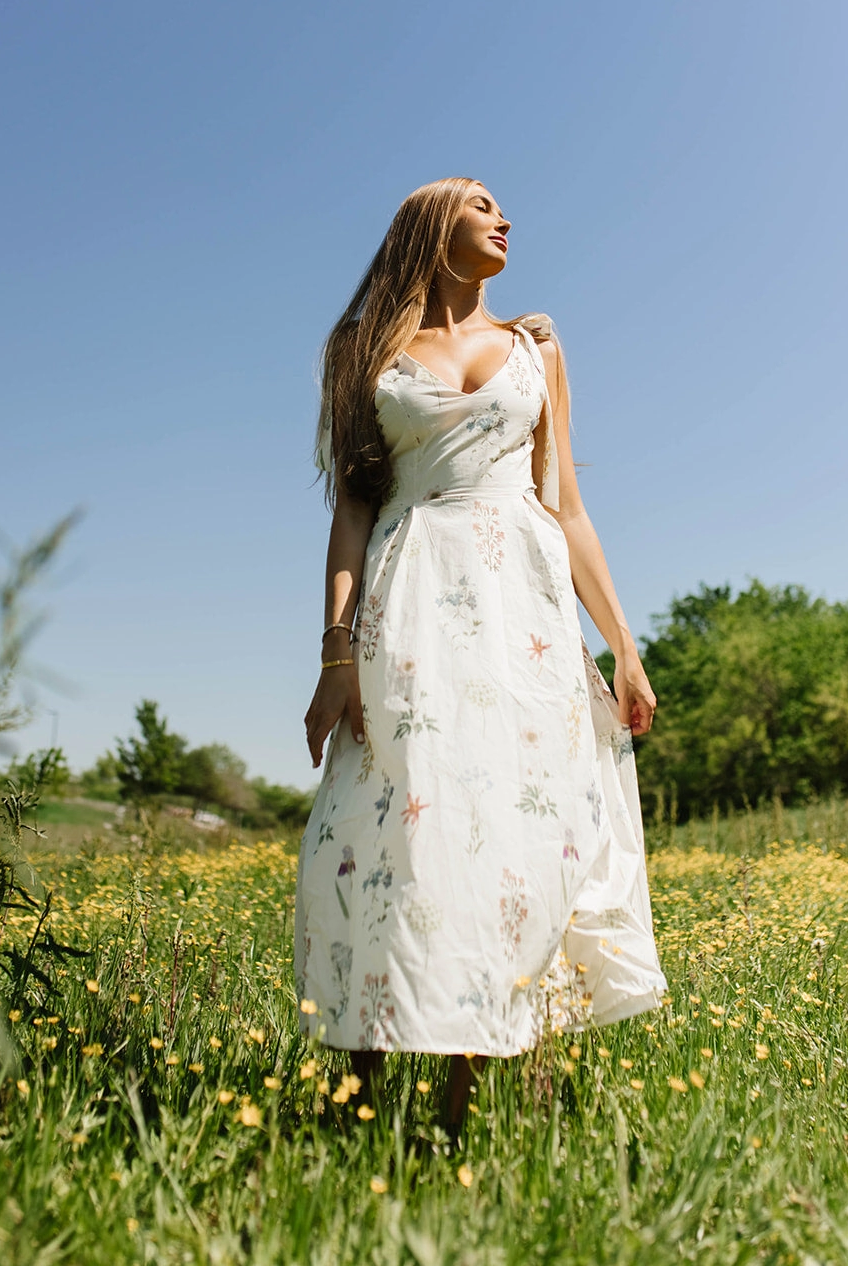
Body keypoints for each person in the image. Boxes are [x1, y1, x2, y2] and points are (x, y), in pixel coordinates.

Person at [295, 177, 667, 1129]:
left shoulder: (535, 348)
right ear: (430, 224)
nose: (504, 219)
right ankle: (354, 1097)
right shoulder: (364, 352)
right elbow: (351, 508)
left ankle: (468, 1095)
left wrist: (621, 645)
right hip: (410, 593)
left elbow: (566, 506)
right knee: (396, 824)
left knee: (513, 828)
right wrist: (336, 657)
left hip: (525, 608)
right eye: (483, 204)